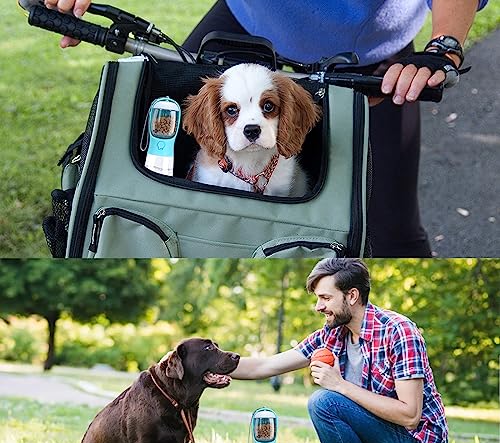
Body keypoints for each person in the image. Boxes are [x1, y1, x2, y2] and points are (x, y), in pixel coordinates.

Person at [44, 0, 488, 257]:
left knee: (392, 230)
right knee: (149, 177)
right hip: (247, 19)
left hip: (372, 53)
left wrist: (444, 45)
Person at [231, 258, 448, 443]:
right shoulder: (332, 334)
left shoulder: (399, 331)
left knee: (324, 401)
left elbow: (410, 416)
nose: (318, 307)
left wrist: (339, 386)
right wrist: (209, 366)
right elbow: (265, 365)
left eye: (325, 298)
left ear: (352, 296)